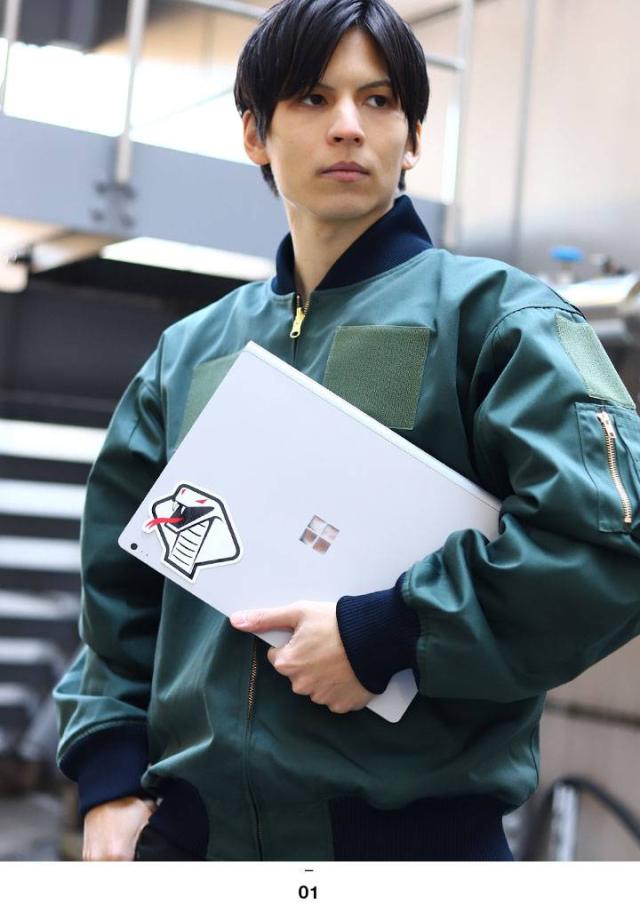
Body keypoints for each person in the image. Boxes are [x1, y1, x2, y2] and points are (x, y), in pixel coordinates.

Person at [54, 0, 640, 862]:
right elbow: (120, 592)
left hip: (415, 850)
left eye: (378, 100)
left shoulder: (499, 321)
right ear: (254, 134)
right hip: (193, 846)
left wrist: (386, 632)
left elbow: (605, 544)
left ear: (413, 139)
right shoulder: (190, 354)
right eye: (312, 98)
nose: (347, 127)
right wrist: (108, 778)